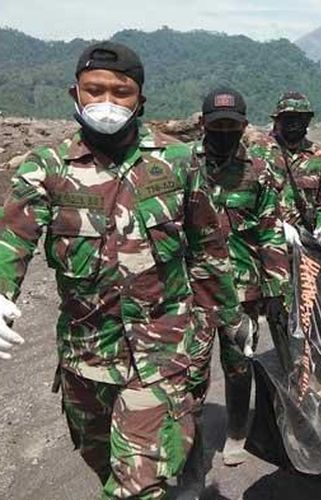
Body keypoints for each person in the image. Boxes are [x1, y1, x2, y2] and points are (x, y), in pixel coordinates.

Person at [0, 42, 240, 498]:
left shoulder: (178, 162)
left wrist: (229, 320)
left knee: (134, 488)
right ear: (75, 93)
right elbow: (12, 239)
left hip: (162, 355)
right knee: (105, 465)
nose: (106, 103)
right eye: (94, 90)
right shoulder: (46, 169)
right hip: (85, 357)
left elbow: (209, 248)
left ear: (140, 101)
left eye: (121, 92)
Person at [182, 87, 287, 491]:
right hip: (190, 288)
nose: (223, 132)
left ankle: (237, 431)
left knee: (238, 363)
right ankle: (189, 444)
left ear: (244, 126)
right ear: (203, 124)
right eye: (216, 125)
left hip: (242, 290)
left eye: (232, 125)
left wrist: (277, 289)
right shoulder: (183, 165)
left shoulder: (259, 170)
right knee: (189, 367)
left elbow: (270, 232)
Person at [247, 91, 321, 372]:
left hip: (304, 251)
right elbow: (247, 196)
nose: (294, 124)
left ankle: (301, 365)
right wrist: (275, 226)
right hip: (264, 248)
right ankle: (279, 367)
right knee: (267, 310)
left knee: (306, 310)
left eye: (300, 119)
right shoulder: (259, 151)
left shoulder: (320, 157)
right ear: (278, 120)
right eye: (288, 119)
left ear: (308, 120)